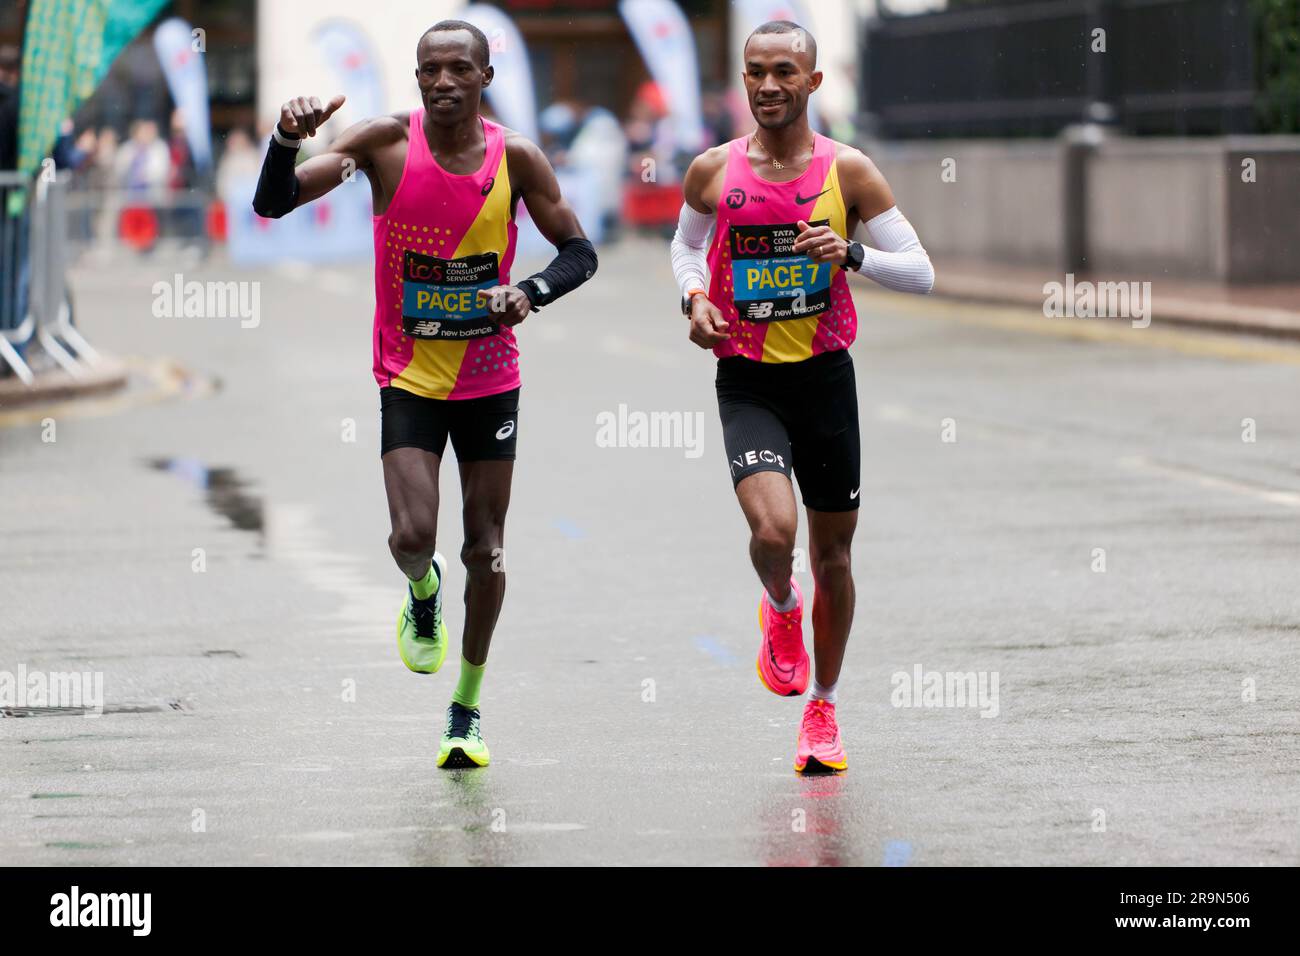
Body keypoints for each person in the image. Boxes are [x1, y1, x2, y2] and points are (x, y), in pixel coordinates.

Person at [252, 20, 597, 768]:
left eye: (457, 70)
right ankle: (422, 589)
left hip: (489, 377)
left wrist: (529, 292)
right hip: (408, 374)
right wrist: (285, 139)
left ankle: (466, 709)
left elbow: (580, 251)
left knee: (488, 549)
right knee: (413, 537)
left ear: (484, 79)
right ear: (416, 79)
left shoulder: (518, 159)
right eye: (429, 70)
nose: (442, 82)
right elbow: (274, 203)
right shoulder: (381, 145)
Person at [670, 20, 934, 774]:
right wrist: (694, 299)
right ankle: (782, 608)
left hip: (824, 380)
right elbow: (688, 246)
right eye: (756, 72)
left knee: (837, 558)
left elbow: (921, 271)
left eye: (786, 71)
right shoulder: (713, 172)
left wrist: (852, 254)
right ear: (743, 80)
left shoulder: (848, 172)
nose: (769, 85)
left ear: (813, 82)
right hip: (748, 378)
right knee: (775, 533)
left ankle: (823, 707)